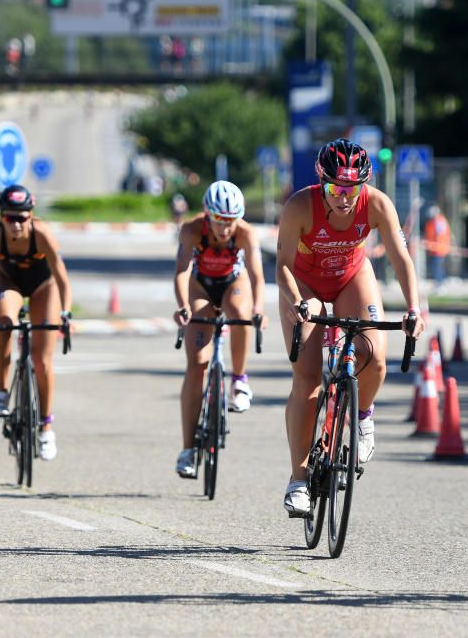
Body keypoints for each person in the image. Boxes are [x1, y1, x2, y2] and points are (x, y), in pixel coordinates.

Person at [276, 138, 425, 516]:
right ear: (321, 181)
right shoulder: (300, 206)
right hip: (304, 285)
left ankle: (362, 415)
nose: (343, 197)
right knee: (307, 379)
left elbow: (402, 257)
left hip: (350, 276)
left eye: (351, 189)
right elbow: (282, 266)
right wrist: (297, 303)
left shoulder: (376, 204)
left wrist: (413, 308)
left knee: (372, 355)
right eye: (334, 189)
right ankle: (298, 479)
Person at [172, 180, 267, 478]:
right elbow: (182, 272)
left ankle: (239, 380)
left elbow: (257, 276)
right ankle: (188, 449)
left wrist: (258, 309)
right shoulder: (191, 229)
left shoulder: (245, 233)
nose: (225, 228)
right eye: (219, 221)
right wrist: (182, 305)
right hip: (200, 285)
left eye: (231, 221)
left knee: (239, 313)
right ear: (207, 214)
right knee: (197, 365)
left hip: (232, 284)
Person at [0, 184, 72, 461]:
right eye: (10, 217)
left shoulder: (43, 236)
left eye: (22, 217)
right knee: (3, 322)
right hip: (10, 282)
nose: (16, 224)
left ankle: (46, 428)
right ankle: (2, 390)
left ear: (31, 216)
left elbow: (62, 280)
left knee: (42, 361)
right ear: (0, 216)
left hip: (44, 286)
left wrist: (66, 314)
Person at [423, 204, 452, 290]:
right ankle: (439, 283)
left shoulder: (439, 221)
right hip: (435, 249)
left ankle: (440, 284)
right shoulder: (433, 222)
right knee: (437, 267)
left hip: (439, 249)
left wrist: (434, 245)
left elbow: (440, 236)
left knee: (437, 267)